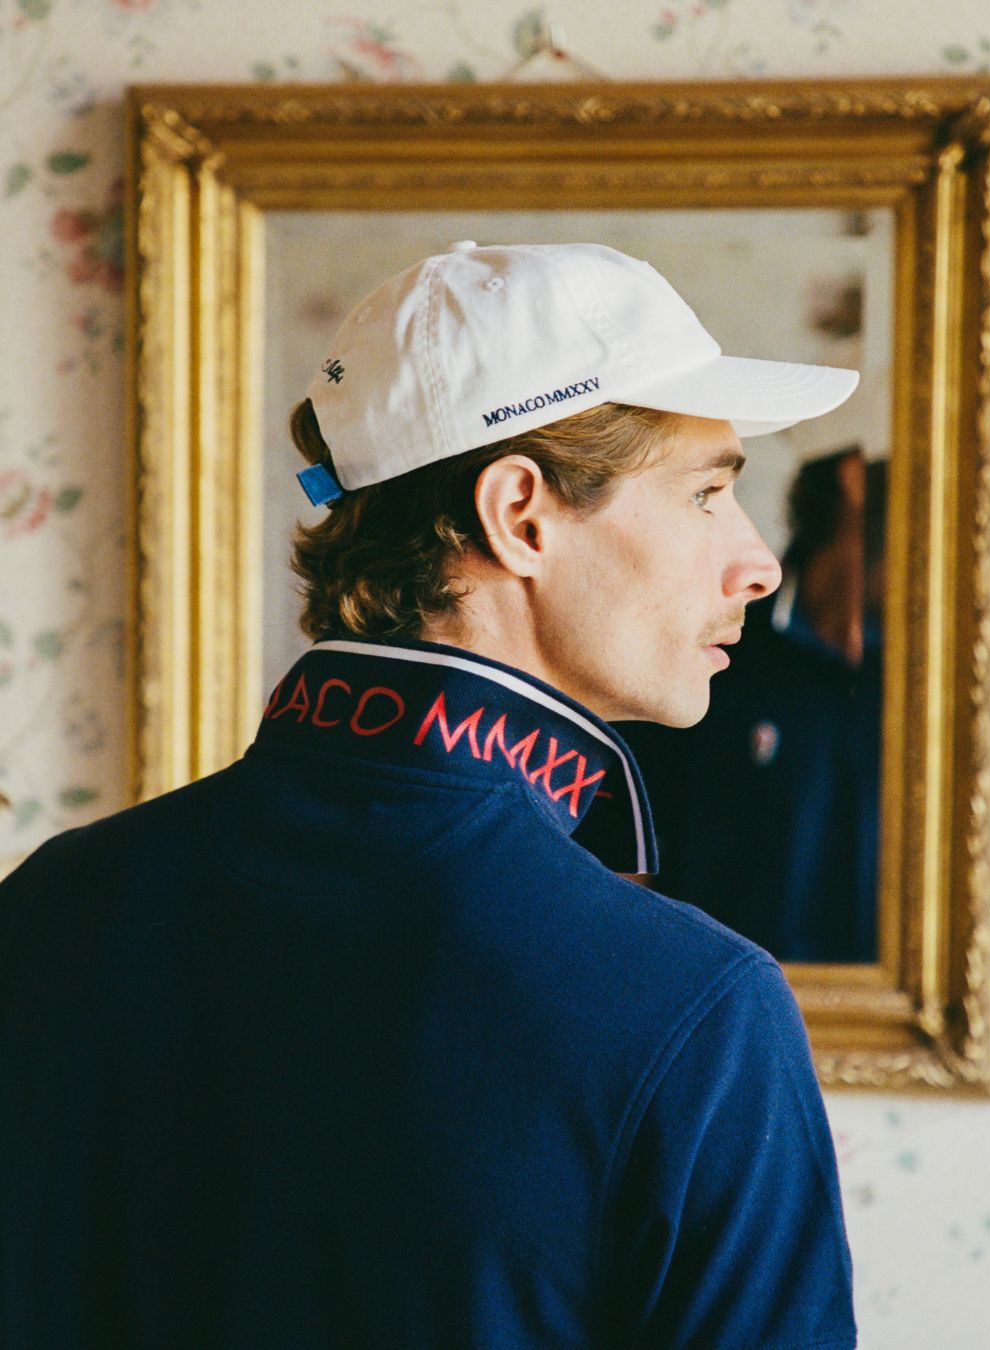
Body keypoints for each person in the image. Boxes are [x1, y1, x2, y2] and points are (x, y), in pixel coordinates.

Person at [0, 241, 860, 1348]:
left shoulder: (56, 902)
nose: (759, 564)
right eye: (706, 494)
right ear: (520, 515)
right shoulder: (692, 1007)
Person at [621, 444, 887, 963]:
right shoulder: (711, 654)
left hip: (882, 1004)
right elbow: (626, 853)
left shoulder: (930, 686)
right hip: (721, 991)